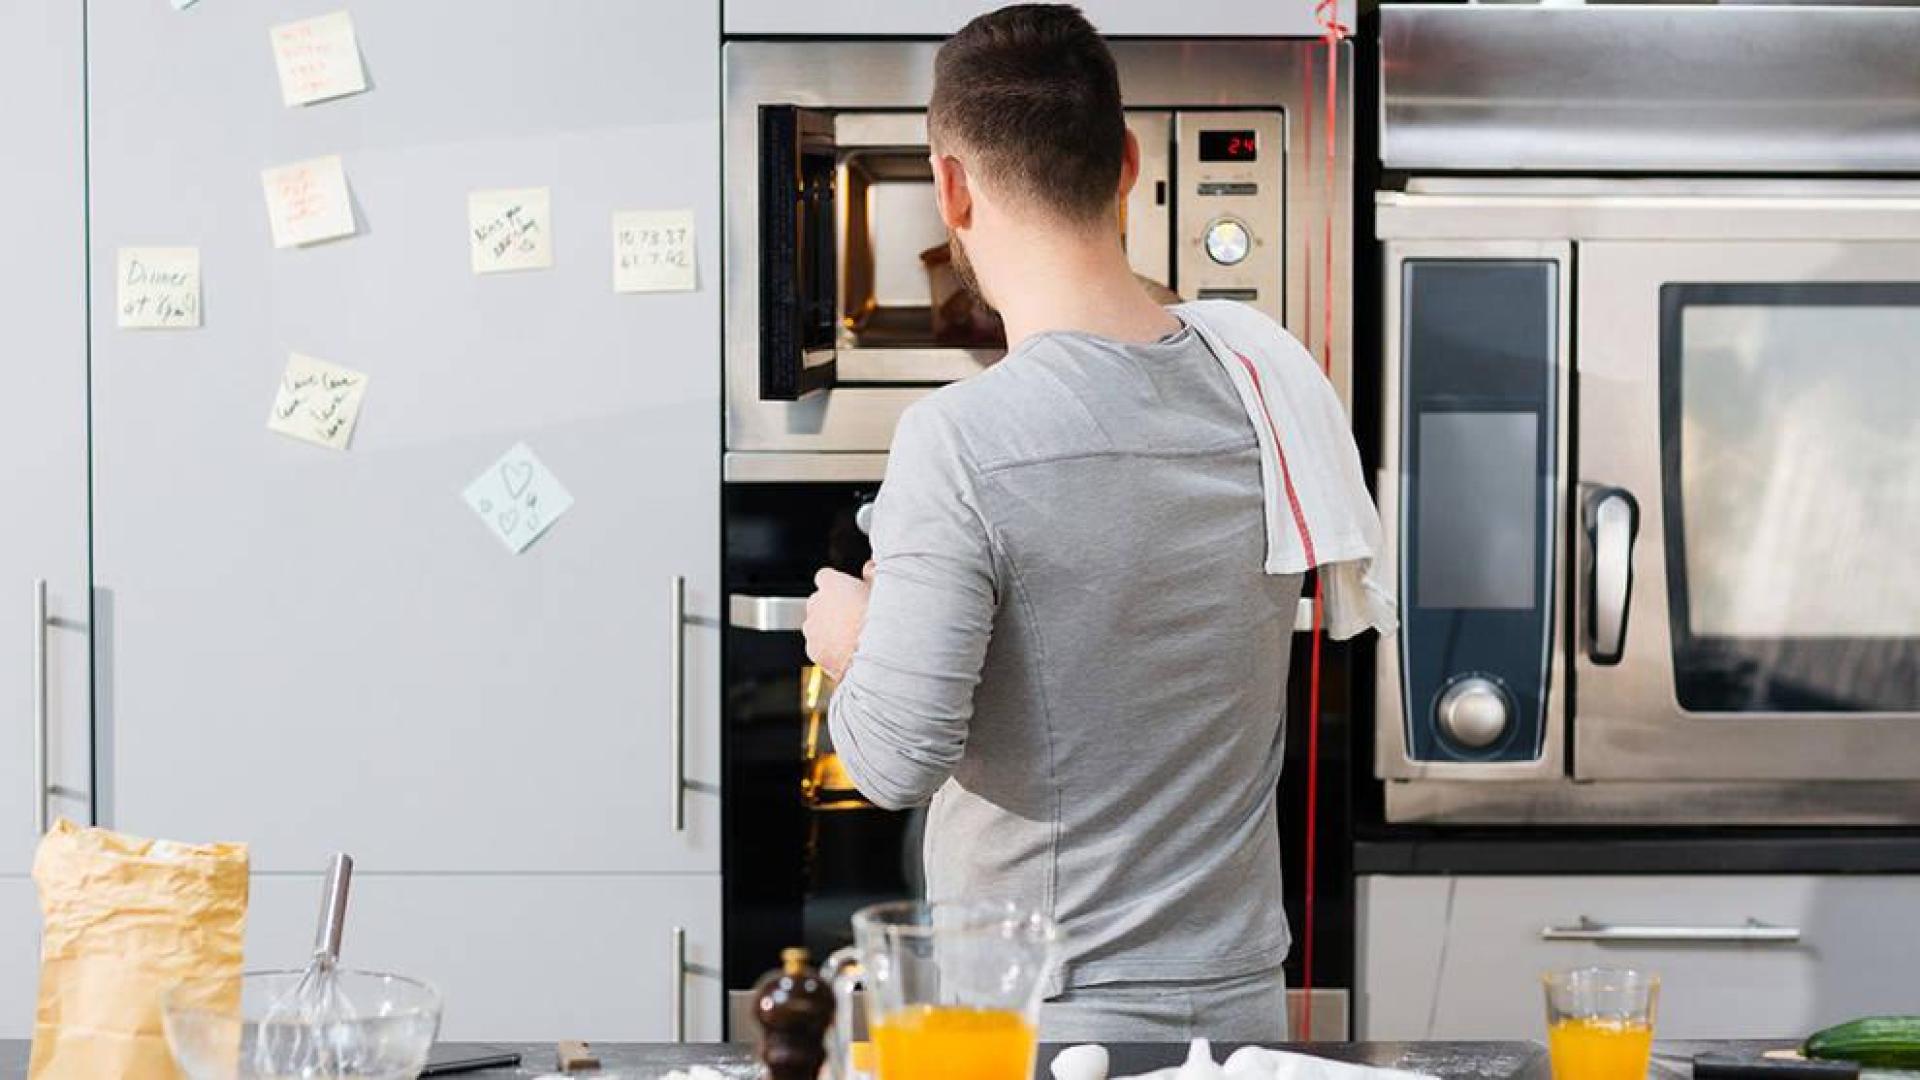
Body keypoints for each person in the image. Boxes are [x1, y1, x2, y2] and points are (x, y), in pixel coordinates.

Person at [801, 3, 1389, 1043]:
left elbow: (894, 763)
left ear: (951, 188)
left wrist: (848, 638)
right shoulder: (1262, 386)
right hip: (1242, 1011)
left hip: (1046, 1021)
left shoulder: (962, 438)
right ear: (1126, 164)